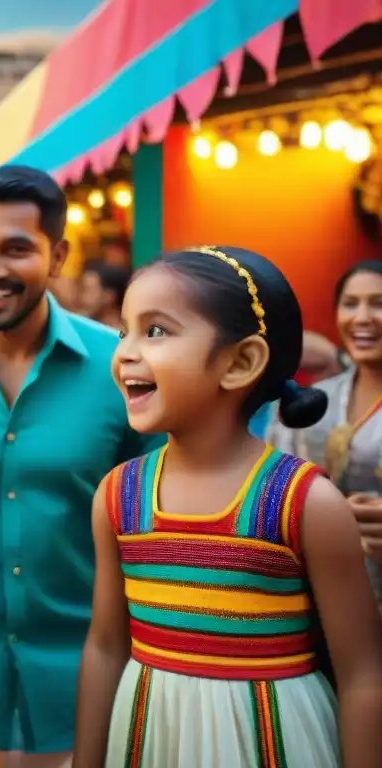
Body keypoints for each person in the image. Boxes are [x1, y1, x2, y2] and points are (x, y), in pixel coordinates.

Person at [75, 246, 382, 767]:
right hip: (151, 738)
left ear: (241, 362)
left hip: (277, 742)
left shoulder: (303, 503)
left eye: (155, 331)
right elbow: (106, 647)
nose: (125, 351)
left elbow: (363, 676)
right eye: (125, 329)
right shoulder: (117, 498)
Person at [0, 165, 163, 768]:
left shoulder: (122, 367)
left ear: (57, 256)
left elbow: (160, 519)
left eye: (17, 249)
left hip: (90, 692)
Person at [268, 260, 382, 612]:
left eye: (379, 303)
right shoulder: (311, 402)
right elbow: (271, 488)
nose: (362, 317)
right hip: (320, 599)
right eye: (350, 304)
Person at [77, 259, 131, 328]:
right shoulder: (83, 326)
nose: (83, 298)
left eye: (88, 290)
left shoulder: (125, 334)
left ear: (108, 297)